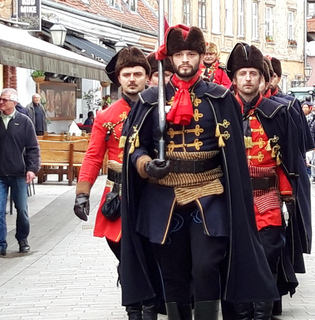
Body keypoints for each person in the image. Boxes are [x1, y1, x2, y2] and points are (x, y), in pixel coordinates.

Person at [120, 25, 278, 320]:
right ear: (170, 58)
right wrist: (145, 165)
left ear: (200, 56)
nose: (185, 60)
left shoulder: (219, 98)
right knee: (171, 270)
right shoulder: (149, 100)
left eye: (191, 54)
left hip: (209, 194)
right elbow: (136, 148)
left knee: (205, 266)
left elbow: (231, 154)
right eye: (179, 54)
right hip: (163, 196)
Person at [73, 46, 159, 320]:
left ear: (147, 77)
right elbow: (93, 156)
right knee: (126, 255)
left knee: (152, 253)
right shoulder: (106, 117)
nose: (132, 78)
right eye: (126, 74)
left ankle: (149, 307)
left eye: (137, 73)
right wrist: (82, 193)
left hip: (153, 193)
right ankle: (134, 306)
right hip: (119, 195)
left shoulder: (161, 111)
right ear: (118, 79)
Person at [227, 43, 308, 319]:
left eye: (253, 73)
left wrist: (288, 196)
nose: (248, 78)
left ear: (262, 78)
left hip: (268, 199)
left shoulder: (278, 113)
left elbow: (287, 160)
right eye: (242, 73)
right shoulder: (221, 112)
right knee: (235, 260)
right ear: (234, 78)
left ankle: (262, 315)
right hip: (232, 200)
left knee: (267, 256)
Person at [0, 88, 39, 256]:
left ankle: (22, 239)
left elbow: (33, 148)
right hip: (0, 174)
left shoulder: (24, 121)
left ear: (14, 103)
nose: (1, 102)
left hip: (19, 174)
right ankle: (1, 244)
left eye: (4, 100)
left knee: (22, 210)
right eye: (0, 99)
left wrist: (32, 169)